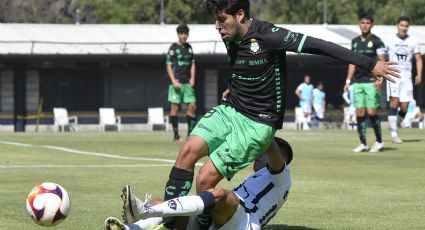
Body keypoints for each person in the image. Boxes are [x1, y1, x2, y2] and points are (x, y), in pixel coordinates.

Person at [155, 1, 399, 229]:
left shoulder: (270, 35)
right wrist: (233, 84)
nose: (218, 26)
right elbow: (241, 64)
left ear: (240, 15)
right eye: (215, 20)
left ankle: (198, 225)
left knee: (205, 180)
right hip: (231, 109)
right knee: (188, 150)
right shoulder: (230, 34)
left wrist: (369, 64)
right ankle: (168, 224)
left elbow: (319, 45)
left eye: (222, 19)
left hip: (257, 122)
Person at [105, 137, 293, 230]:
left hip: (245, 224)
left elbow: (272, 149)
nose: (259, 154)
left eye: (263, 152)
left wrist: (264, 126)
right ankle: (129, 228)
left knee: (220, 195)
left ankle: (143, 212)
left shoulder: (282, 176)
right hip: (222, 218)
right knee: (161, 203)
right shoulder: (257, 178)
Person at [343, 13, 386, 153]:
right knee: (360, 113)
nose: (365, 25)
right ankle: (363, 143)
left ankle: (379, 141)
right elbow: (352, 63)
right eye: (362, 23)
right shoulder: (354, 42)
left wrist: (381, 78)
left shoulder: (377, 41)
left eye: (367, 23)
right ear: (359, 24)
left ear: (372, 25)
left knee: (372, 112)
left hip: (371, 81)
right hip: (358, 82)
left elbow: (382, 61)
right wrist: (348, 81)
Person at [385, 16, 423, 143]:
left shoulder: (413, 41)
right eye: (402, 25)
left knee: (405, 107)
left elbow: (418, 59)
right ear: (397, 25)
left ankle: (396, 124)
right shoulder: (389, 40)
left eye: (406, 26)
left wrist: (419, 74)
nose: (404, 28)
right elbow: (382, 57)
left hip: (407, 77)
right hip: (393, 74)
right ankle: (394, 132)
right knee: (394, 101)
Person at [166, 24, 197, 142]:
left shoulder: (189, 47)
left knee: (192, 106)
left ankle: (190, 135)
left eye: (185, 34)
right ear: (178, 34)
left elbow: (193, 63)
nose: (184, 36)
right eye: (181, 33)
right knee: (174, 108)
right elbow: (168, 65)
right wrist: (173, 80)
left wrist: (192, 78)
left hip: (187, 84)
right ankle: (176, 136)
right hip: (176, 83)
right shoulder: (173, 48)